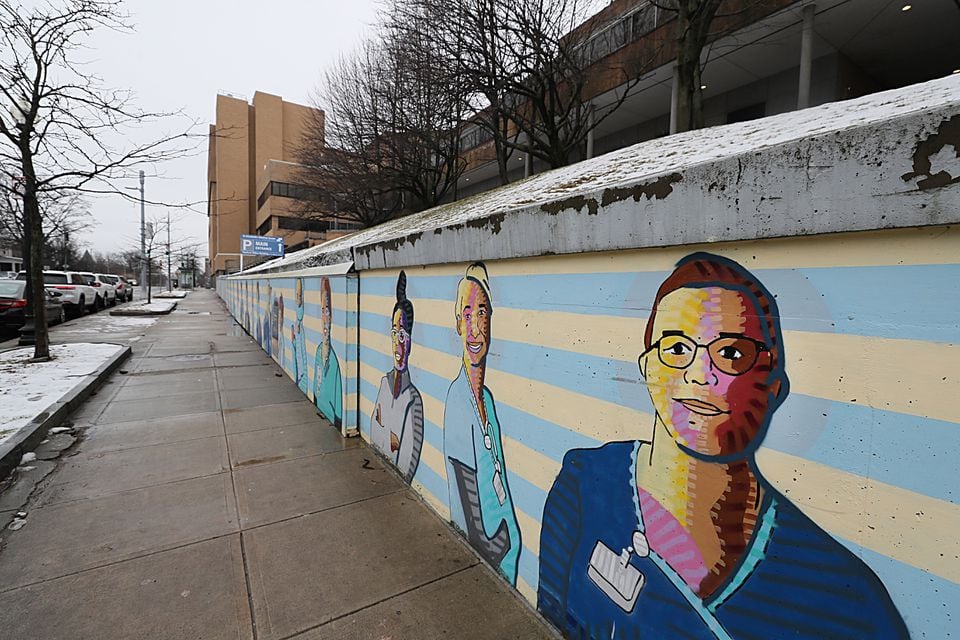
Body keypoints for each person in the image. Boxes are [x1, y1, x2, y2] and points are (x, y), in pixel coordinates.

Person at [536, 252, 908, 640]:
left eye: (731, 354)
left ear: (773, 388)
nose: (699, 376)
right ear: (646, 368)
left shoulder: (842, 597)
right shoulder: (585, 483)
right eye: (676, 349)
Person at [443, 262, 521, 585]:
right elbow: (476, 530)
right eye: (467, 314)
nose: (475, 328)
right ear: (457, 323)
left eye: (482, 313)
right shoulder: (457, 403)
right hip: (491, 574)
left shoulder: (486, 401)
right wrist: (507, 539)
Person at [371, 271, 424, 482]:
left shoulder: (414, 401)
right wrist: (391, 440)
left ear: (410, 341)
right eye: (394, 334)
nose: (397, 344)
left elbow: (406, 465)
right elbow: (375, 434)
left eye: (402, 335)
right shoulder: (384, 385)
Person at [313, 277, 343, 428]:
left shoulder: (335, 364)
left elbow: (339, 416)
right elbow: (315, 393)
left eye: (328, 311)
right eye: (322, 311)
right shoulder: (319, 352)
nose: (325, 317)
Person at [291, 278, 308, 394]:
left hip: (303, 376)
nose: (299, 300)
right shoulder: (298, 326)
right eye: (297, 296)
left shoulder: (300, 327)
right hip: (299, 374)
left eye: (300, 296)